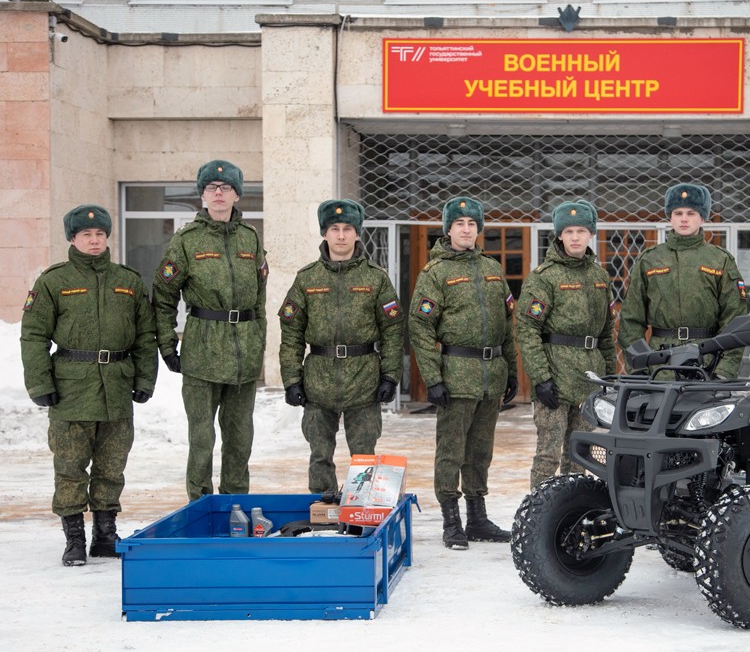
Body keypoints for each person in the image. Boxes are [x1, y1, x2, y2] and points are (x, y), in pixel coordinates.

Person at [21, 204, 158, 566]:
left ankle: (105, 535)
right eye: (86, 235)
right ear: (73, 238)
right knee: (70, 465)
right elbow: (33, 336)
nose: (94, 240)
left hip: (116, 385)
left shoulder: (127, 281)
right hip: (71, 387)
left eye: (99, 235)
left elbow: (145, 335)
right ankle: (74, 539)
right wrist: (39, 383)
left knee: (112, 465)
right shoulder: (54, 282)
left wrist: (145, 377)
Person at [152, 160, 267, 501]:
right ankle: (200, 504)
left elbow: (260, 297)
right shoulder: (186, 240)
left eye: (226, 188)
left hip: (243, 354)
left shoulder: (250, 238)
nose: (219, 194)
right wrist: (168, 345)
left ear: (236, 195)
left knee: (239, 437)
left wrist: (258, 339)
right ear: (202, 194)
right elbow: (163, 296)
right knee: (201, 438)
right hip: (202, 351)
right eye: (211, 188)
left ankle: (235, 502)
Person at [408, 196, 518, 550]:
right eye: (460, 224)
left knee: (480, 450)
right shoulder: (435, 273)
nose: (466, 229)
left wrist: (511, 371)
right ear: (449, 229)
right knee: (451, 450)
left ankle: (478, 518)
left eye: (472, 224)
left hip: (491, 374)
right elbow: (421, 329)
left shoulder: (492, 269)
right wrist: (434, 379)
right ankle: (451, 520)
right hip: (456, 373)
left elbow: (507, 325)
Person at [277, 199, 404, 493]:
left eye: (348, 228)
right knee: (320, 454)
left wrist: (390, 376)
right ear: (325, 234)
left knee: (364, 455)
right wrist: (292, 380)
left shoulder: (375, 278)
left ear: (358, 233)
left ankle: (363, 510)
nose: (341, 235)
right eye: (334, 229)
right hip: (318, 379)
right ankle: (323, 510)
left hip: (364, 378)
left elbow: (393, 331)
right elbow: (291, 333)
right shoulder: (307, 278)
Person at [516, 200, 616, 488]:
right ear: (559, 235)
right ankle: (539, 513)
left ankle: (571, 513)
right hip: (555, 380)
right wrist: (541, 378)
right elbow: (527, 328)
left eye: (581, 230)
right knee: (548, 455)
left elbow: (607, 332)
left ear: (590, 234)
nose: (575, 237)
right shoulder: (543, 278)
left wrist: (608, 377)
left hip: (588, 380)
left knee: (580, 454)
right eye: (569, 231)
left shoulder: (599, 277)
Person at [617, 183, 746, 378]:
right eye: (678, 213)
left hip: (706, 363)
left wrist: (723, 370)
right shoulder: (650, 259)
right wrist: (639, 367)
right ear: (670, 217)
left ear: (702, 217)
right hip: (659, 364)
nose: (684, 219)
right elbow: (631, 319)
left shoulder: (720, 260)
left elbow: (734, 320)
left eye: (691, 213)